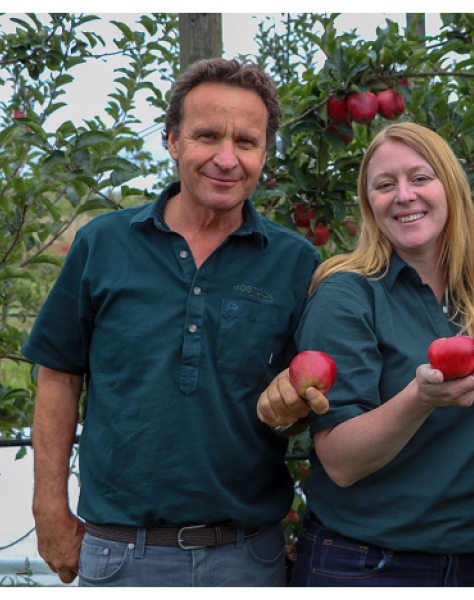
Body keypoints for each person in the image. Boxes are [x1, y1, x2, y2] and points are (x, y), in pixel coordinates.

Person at [22, 58, 324, 587]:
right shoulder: (104, 244)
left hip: (248, 557)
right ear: (172, 141)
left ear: (264, 153)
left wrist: (294, 406)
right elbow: (59, 376)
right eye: (207, 136)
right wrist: (48, 508)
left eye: (246, 142)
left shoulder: (295, 262)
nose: (226, 159)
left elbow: (300, 407)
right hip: (119, 553)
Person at [257, 122, 474, 587]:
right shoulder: (347, 295)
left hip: (471, 561)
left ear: (450, 186)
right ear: (370, 204)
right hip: (363, 563)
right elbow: (342, 463)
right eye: (385, 185)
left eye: (420, 178)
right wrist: (420, 398)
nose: (404, 195)